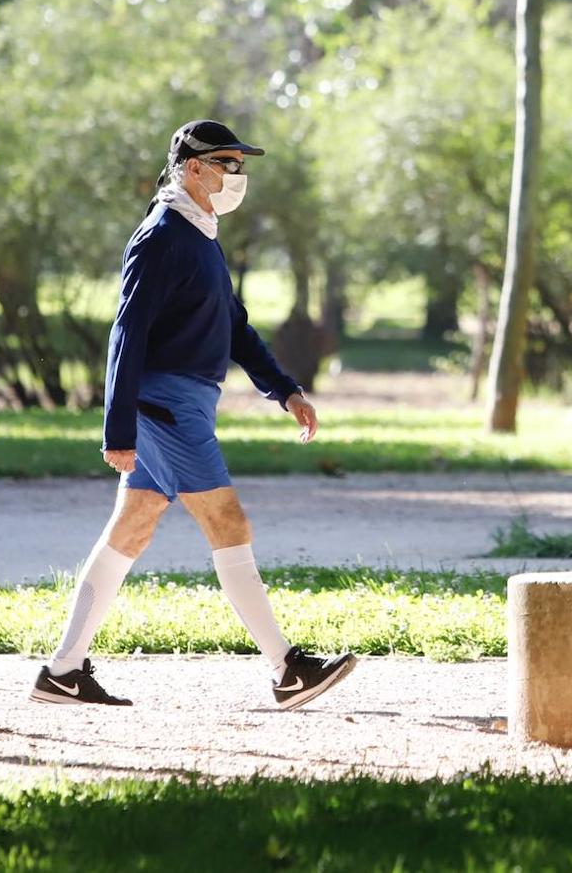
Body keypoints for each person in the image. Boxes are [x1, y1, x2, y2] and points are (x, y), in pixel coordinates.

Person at [30, 120, 354, 710]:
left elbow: (234, 326)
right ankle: (287, 669)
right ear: (193, 169)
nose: (238, 175)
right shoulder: (160, 237)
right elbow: (126, 333)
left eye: (240, 164)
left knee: (132, 528)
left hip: (185, 405)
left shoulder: (201, 234)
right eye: (227, 163)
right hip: (167, 407)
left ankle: (63, 672)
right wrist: (118, 428)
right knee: (227, 522)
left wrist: (284, 391)